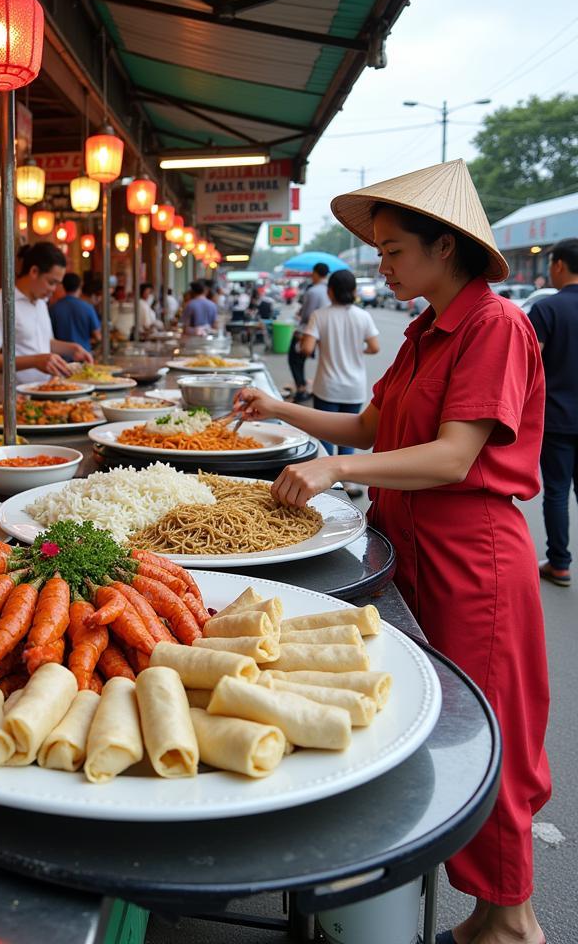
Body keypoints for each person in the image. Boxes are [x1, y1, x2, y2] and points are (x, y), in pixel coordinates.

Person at [230, 160, 550, 944]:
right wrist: (280, 406)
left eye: (395, 248)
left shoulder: (493, 326)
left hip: (474, 557)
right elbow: (370, 430)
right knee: (435, 721)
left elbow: (451, 458)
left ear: (447, 248)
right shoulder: (421, 331)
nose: (382, 263)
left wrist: (334, 470)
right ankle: (485, 917)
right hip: (414, 547)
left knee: (489, 735)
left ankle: (510, 921)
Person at [0, 242, 92, 400]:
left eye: (57, 284)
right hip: (14, 403)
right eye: (51, 282)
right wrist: (35, 361)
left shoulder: (41, 303)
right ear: (34, 271)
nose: (54, 289)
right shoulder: (2, 301)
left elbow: (43, 343)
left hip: (46, 395)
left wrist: (72, 348)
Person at [527, 237, 578, 587]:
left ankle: (559, 563)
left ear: (559, 265)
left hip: (559, 418)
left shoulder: (547, 309)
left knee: (557, 492)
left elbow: (528, 364)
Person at [300, 269, 380, 467]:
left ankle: (327, 483)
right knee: (350, 436)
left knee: (325, 436)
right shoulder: (363, 316)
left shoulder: (319, 316)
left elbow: (306, 348)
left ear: (330, 292)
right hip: (354, 388)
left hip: (327, 387)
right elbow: (374, 347)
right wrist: (357, 349)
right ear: (354, 292)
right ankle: (348, 481)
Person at [288, 262, 329, 402]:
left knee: (295, 359)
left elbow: (307, 315)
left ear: (316, 273)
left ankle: (301, 389)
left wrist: (300, 314)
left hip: (308, 331)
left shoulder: (314, 291)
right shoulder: (329, 290)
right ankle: (305, 387)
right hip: (323, 331)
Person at [49, 271, 101, 351]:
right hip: (83, 355)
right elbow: (98, 336)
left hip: (61, 358)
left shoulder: (54, 308)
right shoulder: (88, 308)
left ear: (63, 286)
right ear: (80, 286)